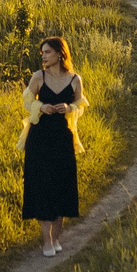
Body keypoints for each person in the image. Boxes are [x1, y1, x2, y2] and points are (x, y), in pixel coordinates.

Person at [21, 34, 84, 256]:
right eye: (42, 53)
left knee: (61, 186)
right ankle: (46, 241)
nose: (44, 56)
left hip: (62, 139)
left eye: (48, 52)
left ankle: (56, 238)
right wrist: (40, 107)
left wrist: (69, 108)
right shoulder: (38, 76)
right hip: (39, 138)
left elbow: (80, 105)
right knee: (41, 186)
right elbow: (27, 101)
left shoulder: (75, 79)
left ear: (60, 54)